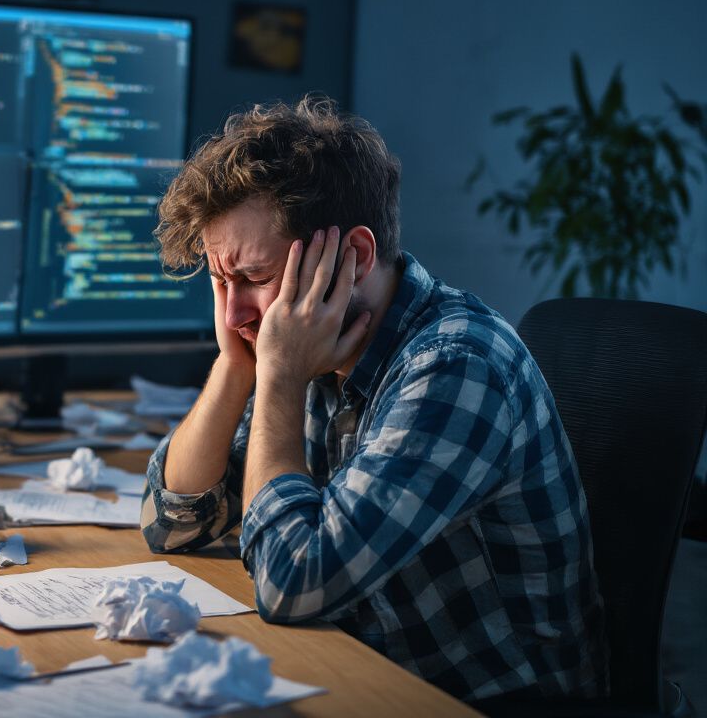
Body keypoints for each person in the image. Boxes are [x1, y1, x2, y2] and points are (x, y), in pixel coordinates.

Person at [141, 95, 607, 703]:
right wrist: (235, 365)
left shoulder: (455, 366)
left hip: (481, 701)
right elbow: (170, 523)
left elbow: (290, 583)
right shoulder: (310, 347)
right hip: (365, 669)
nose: (233, 314)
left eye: (254, 278)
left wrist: (277, 378)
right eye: (219, 281)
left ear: (354, 258)